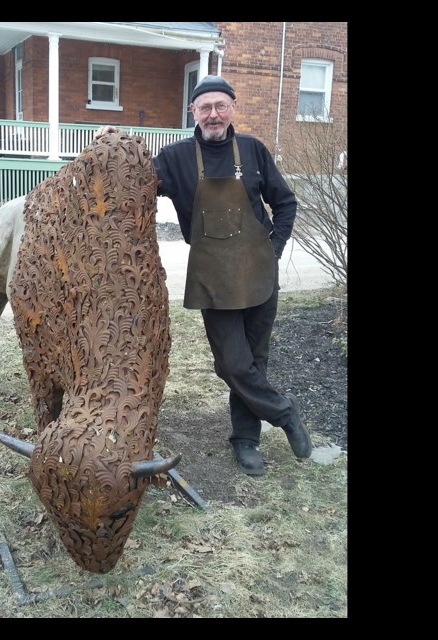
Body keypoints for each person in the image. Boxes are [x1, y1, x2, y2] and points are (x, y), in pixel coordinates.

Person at [94, 75, 311, 476]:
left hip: (260, 274)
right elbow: (134, 178)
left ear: (232, 108)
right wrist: (117, 143)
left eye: (220, 106)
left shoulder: (253, 150)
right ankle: (284, 413)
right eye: (205, 107)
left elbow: (285, 203)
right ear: (193, 111)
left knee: (254, 360)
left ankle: (246, 442)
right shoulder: (176, 157)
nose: (213, 114)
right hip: (214, 278)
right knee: (232, 362)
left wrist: (273, 250)